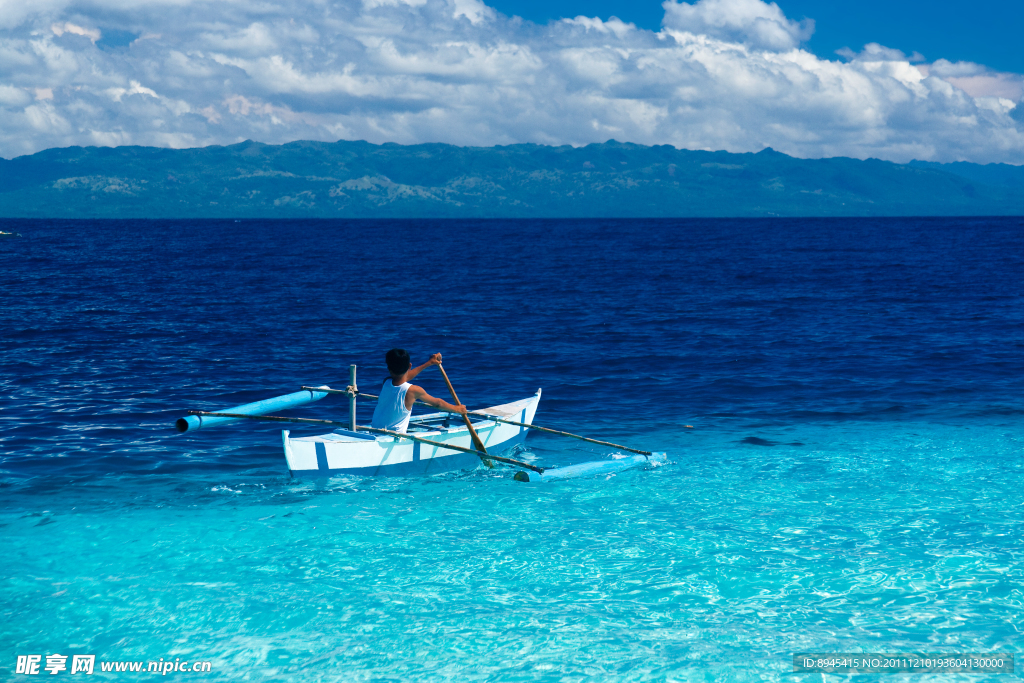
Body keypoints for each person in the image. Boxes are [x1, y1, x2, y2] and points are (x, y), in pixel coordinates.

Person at [370, 349, 467, 433]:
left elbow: (404, 377)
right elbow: (438, 403)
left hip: (375, 431)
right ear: (409, 366)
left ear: (389, 368)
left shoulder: (386, 381)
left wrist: (429, 363)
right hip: (395, 438)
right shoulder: (413, 390)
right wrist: (457, 409)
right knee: (440, 428)